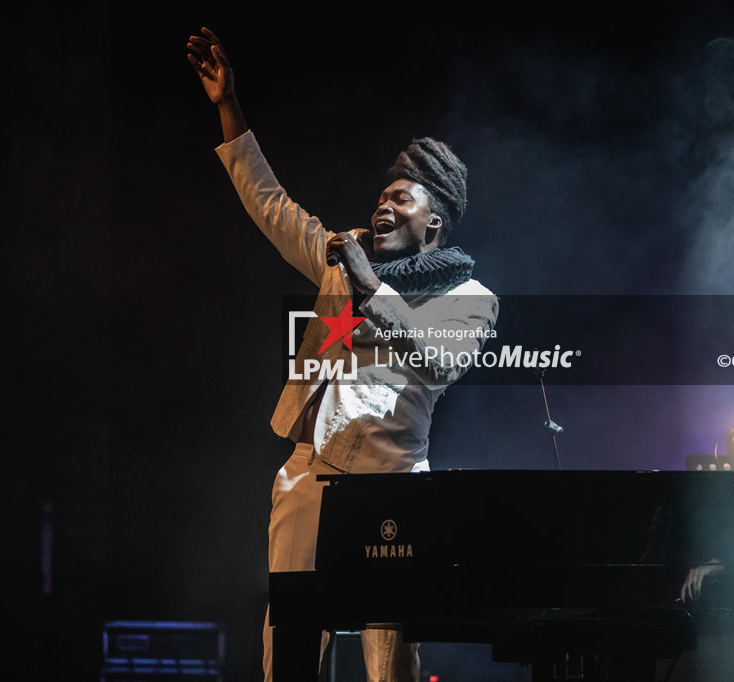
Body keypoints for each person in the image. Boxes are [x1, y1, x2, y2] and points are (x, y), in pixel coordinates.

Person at [185, 27, 499, 681]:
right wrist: (228, 105)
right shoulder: (340, 256)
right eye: (382, 194)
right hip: (308, 474)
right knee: (291, 640)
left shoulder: (470, 296)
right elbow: (270, 203)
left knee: (390, 651)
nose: (384, 202)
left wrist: (370, 285)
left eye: (402, 198)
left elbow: (437, 361)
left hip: (392, 482)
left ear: (433, 221)